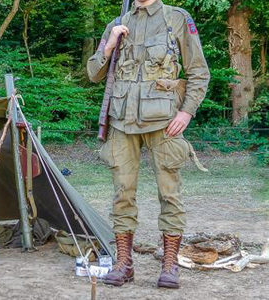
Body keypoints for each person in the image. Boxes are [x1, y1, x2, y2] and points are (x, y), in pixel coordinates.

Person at [87, 0, 209, 289]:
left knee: (170, 194)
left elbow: (199, 71)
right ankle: (123, 264)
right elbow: (93, 73)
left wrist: (187, 111)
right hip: (121, 121)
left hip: (163, 121)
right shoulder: (118, 21)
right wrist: (109, 44)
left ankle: (169, 266)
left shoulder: (177, 18)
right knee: (122, 195)